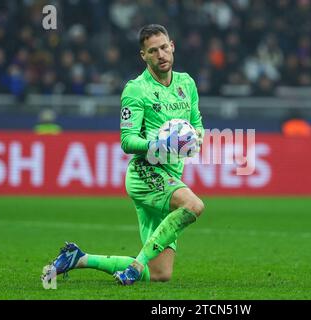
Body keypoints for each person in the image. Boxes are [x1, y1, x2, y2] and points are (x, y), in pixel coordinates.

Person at [42, 24, 205, 286]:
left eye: (164, 47)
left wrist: (196, 138)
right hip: (146, 173)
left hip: (171, 173)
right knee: (194, 205)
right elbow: (127, 141)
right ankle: (136, 265)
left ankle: (79, 258)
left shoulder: (187, 83)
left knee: (161, 275)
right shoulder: (136, 89)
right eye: (153, 51)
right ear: (144, 56)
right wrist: (160, 144)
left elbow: (197, 123)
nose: (161, 54)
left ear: (172, 46)